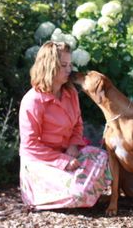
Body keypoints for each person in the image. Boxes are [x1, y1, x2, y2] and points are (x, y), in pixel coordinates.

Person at [19, 41, 111, 210]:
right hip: (40, 162)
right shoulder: (32, 101)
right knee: (78, 193)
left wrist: (73, 145)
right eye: (63, 65)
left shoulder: (71, 94)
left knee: (102, 157)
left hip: (68, 154)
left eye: (70, 64)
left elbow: (77, 125)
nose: (69, 70)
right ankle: (60, 195)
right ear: (49, 66)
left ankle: (80, 192)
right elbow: (30, 146)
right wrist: (63, 161)